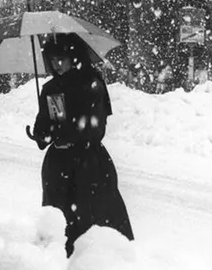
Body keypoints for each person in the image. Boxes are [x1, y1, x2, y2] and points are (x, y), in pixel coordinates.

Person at [29, 35, 134, 256]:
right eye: (53, 60)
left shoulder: (92, 83)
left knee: (94, 223)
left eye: (63, 59)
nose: (57, 65)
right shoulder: (51, 89)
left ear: (74, 58)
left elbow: (97, 128)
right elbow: (46, 128)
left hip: (89, 164)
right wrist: (42, 133)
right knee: (59, 225)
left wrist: (67, 130)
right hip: (58, 167)